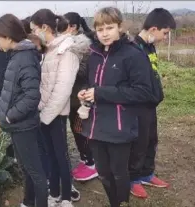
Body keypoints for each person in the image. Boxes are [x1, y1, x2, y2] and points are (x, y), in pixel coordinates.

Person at [78, 7, 157, 207]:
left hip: (120, 126)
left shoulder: (133, 55)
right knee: (104, 173)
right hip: (95, 126)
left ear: (120, 27)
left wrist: (100, 93)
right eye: (100, 29)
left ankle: (121, 203)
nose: (104, 33)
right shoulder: (93, 54)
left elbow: (143, 92)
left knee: (119, 173)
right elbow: (92, 83)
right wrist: (86, 91)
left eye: (109, 28)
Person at [31, 9, 90, 207]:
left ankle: (65, 197)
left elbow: (62, 89)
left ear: (44, 28)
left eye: (34, 29)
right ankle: (54, 193)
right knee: (50, 155)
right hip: (45, 112)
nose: (33, 34)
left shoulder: (67, 50)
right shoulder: (49, 49)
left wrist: (46, 115)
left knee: (61, 156)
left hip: (56, 113)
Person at [0, 13, 47, 207]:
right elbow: (16, 90)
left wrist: (10, 114)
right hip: (17, 126)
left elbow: (32, 96)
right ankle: (28, 202)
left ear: (8, 37)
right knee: (26, 168)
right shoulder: (17, 55)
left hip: (22, 125)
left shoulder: (25, 58)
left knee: (36, 173)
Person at [129, 8, 176, 199]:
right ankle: (133, 179)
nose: (165, 38)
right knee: (138, 143)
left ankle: (147, 173)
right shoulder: (132, 49)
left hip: (150, 105)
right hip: (138, 106)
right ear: (154, 28)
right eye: (165, 33)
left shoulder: (150, 46)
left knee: (151, 140)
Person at [63, 12, 99, 182]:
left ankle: (91, 163)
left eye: (66, 25)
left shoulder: (84, 45)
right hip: (70, 97)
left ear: (74, 27)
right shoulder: (67, 43)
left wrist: (70, 65)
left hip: (80, 96)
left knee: (80, 130)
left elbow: (86, 72)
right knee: (76, 129)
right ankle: (87, 160)